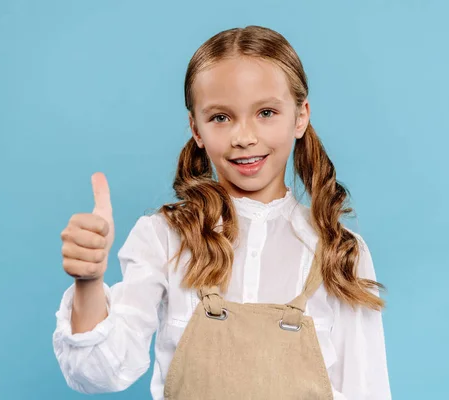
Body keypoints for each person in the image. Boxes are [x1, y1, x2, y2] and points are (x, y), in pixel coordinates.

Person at [53, 25, 391, 400]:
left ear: (300, 116)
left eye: (265, 112)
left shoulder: (340, 252)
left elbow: (368, 390)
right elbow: (97, 373)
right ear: (195, 128)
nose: (244, 136)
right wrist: (88, 282)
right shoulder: (166, 237)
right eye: (220, 117)